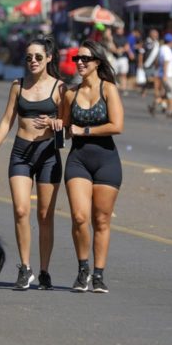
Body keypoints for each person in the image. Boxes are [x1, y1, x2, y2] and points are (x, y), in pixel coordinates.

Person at [0, 36, 66, 290]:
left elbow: (67, 126)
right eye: (29, 57)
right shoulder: (18, 86)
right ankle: (25, 267)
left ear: (49, 58)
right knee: (21, 210)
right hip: (20, 152)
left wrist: (55, 123)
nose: (33, 61)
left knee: (44, 215)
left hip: (47, 153)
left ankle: (44, 271)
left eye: (38, 57)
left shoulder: (59, 88)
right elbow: (7, 119)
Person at [60, 40, 124, 293]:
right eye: (77, 59)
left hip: (106, 160)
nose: (80, 63)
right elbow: (65, 128)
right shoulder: (70, 93)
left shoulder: (108, 89)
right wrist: (55, 125)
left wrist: (83, 129)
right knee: (79, 217)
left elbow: (117, 125)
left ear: (97, 62)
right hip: (78, 160)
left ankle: (98, 274)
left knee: (102, 220)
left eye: (85, 59)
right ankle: (82, 269)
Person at [157, 33, 172, 118]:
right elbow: (166, 61)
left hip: (166, 74)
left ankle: (156, 103)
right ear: (171, 41)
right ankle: (170, 111)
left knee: (167, 93)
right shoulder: (166, 50)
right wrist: (165, 74)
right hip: (168, 75)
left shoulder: (163, 48)